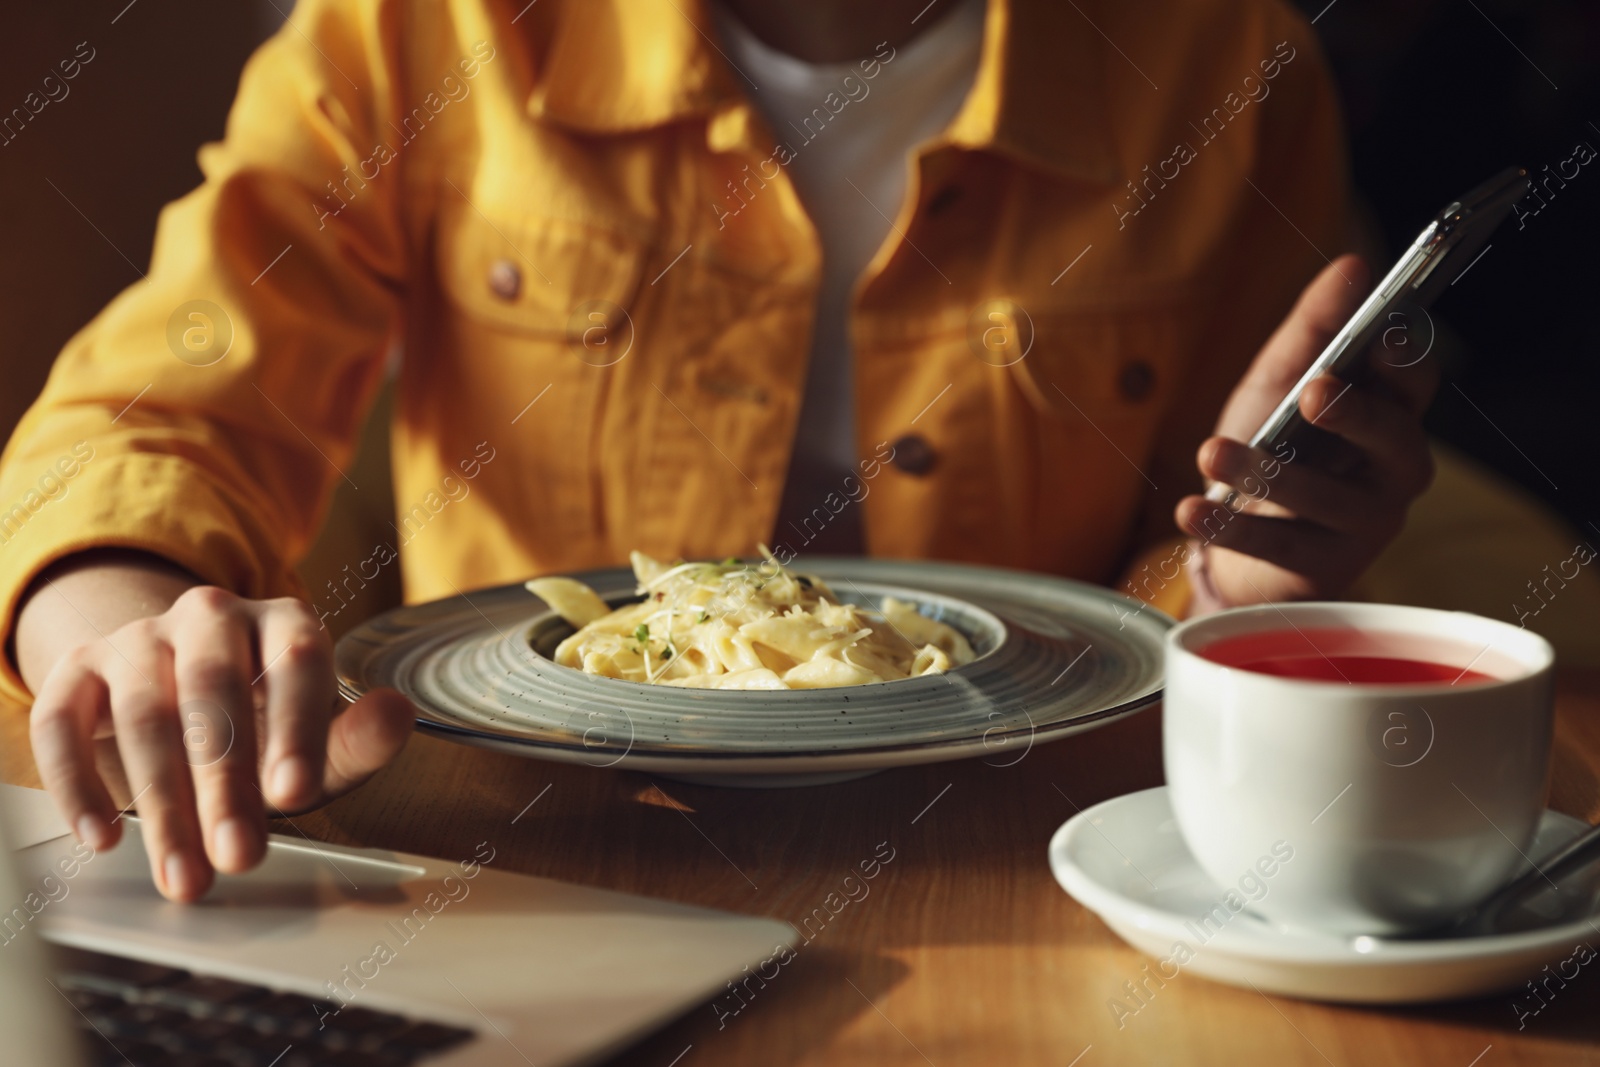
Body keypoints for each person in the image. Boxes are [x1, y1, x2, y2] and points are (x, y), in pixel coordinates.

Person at [0, 0, 1435, 901]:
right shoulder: (412, 31)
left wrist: (1237, 598)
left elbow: (1192, 568)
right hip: (526, 862)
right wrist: (124, 630)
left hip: (1016, 863)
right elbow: (149, 413)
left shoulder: (1228, 57)